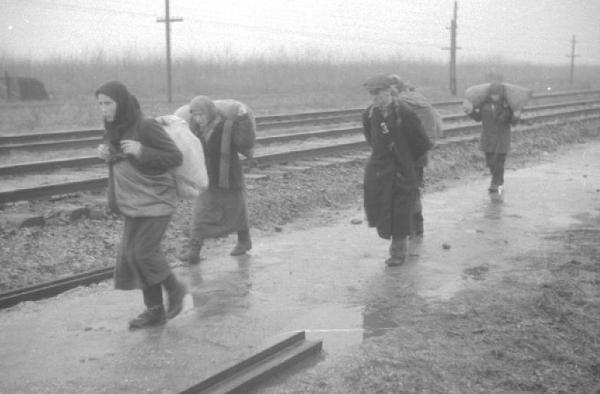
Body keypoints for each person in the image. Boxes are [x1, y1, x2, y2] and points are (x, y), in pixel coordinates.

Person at [95, 81, 187, 329]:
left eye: (108, 103)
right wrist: (107, 155)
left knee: (143, 252)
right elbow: (123, 161)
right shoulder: (114, 127)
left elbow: (174, 157)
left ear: (121, 102)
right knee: (132, 255)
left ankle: (175, 289)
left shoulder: (146, 126)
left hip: (156, 198)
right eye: (100, 104)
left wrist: (142, 149)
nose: (104, 109)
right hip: (134, 200)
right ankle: (154, 310)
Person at [362, 74, 432, 266]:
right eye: (371, 93)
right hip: (381, 169)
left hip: (403, 167)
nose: (374, 97)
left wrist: (406, 159)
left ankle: (398, 253)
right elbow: (372, 139)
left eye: (377, 93)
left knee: (400, 209)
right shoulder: (369, 113)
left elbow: (420, 142)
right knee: (383, 206)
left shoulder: (404, 112)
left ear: (388, 92)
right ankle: (414, 227)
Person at [177, 96, 252, 264]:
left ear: (210, 112)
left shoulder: (227, 126)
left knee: (237, 211)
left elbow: (245, 141)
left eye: (202, 114)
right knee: (200, 213)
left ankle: (244, 241)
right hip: (206, 178)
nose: (199, 119)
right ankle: (193, 251)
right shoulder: (195, 128)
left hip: (229, 177)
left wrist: (244, 119)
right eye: (195, 115)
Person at [388, 74, 443, 237]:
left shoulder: (402, 105)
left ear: (394, 90)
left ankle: (412, 226)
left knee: (407, 191)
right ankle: (417, 226)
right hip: (419, 152)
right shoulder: (416, 100)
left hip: (409, 154)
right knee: (413, 189)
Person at [467, 82, 519, 193]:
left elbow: (513, 122)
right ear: (489, 94)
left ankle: (496, 183)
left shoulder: (507, 105)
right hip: (488, 137)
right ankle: (497, 180)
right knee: (490, 162)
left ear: (501, 95)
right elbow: (478, 118)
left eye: (497, 94)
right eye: (493, 94)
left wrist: (515, 116)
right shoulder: (484, 104)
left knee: (499, 162)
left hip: (502, 138)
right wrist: (470, 112)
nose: (495, 96)